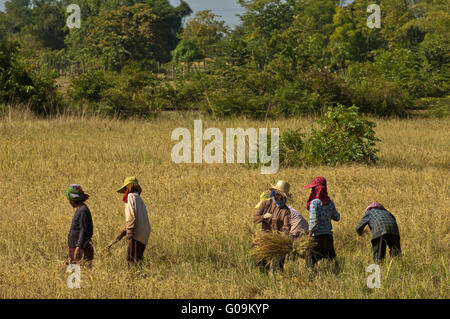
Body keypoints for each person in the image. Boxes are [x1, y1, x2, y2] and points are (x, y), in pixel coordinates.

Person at [253, 180, 292, 272]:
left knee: (278, 268)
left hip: (278, 241)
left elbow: (286, 226)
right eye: (277, 194)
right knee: (262, 266)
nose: (279, 197)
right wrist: (263, 217)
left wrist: (284, 233)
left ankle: (278, 283)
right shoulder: (265, 204)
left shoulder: (285, 211)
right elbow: (255, 219)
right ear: (273, 193)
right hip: (265, 239)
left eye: (281, 195)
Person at [304, 177, 340, 270]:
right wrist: (327, 213)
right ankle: (335, 275)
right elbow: (337, 217)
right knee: (331, 261)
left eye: (313, 188)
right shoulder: (330, 202)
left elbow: (313, 221)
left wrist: (309, 234)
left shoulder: (314, 203)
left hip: (316, 236)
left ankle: (311, 279)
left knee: (311, 263)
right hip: (328, 236)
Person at [116, 177, 151, 263]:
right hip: (144, 234)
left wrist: (130, 231)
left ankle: (135, 276)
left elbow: (131, 216)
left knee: (131, 260)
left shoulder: (130, 196)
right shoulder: (139, 198)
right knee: (138, 258)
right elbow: (136, 217)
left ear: (129, 187)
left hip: (137, 233)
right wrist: (122, 232)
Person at [65, 184, 94, 265]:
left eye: (69, 199)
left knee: (79, 274)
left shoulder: (83, 211)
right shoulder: (80, 209)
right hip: (75, 247)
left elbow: (83, 230)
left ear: (73, 200)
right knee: (72, 274)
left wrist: (79, 247)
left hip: (80, 249)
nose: (69, 201)